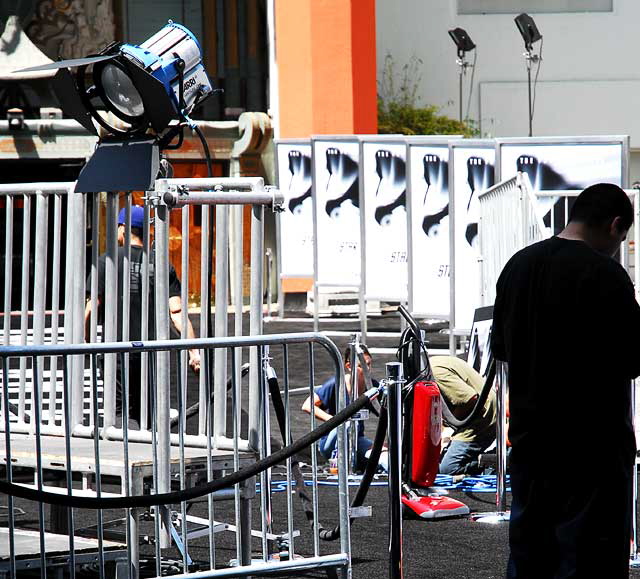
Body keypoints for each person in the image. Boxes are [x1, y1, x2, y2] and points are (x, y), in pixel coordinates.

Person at [491, 183, 640, 578]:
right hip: (593, 451)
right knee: (590, 560)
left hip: (529, 443)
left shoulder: (516, 266)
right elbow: (634, 358)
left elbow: (502, 349)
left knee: (529, 557)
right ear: (614, 225)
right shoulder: (606, 274)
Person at [85, 205, 200, 426]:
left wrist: (87, 343)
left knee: (119, 412)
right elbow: (176, 312)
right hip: (152, 350)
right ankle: (151, 452)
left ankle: (126, 452)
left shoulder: (106, 261)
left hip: (116, 351)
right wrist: (193, 352)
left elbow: (93, 306)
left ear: (123, 229)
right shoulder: (160, 264)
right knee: (149, 409)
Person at [302, 344, 378, 472]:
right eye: (362, 366)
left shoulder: (373, 387)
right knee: (346, 423)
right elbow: (307, 405)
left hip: (356, 440)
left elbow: (389, 414)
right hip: (331, 441)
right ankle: (336, 465)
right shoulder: (337, 383)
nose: (367, 370)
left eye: (369, 365)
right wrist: (335, 421)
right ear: (349, 366)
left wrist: (386, 443)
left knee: (382, 458)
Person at [430, 355, 496, 475]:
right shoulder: (433, 363)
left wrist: (451, 423)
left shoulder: (436, 374)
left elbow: (470, 399)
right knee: (440, 462)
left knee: (448, 469)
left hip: (482, 415)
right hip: (480, 411)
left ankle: (498, 460)